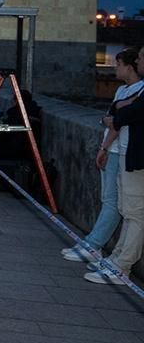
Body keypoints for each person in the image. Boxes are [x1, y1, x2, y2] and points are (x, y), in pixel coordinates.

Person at [65, 49, 141, 263]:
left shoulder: (138, 90)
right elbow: (110, 117)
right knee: (111, 200)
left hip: (120, 150)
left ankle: (94, 245)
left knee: (114, 202)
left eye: (118, 64)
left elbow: (116, 120)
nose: (115, 68)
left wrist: (104, 147)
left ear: (129, 66)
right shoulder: (121, 90)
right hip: (115, 148)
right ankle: (96, 245)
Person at [86, 46, 144, 285]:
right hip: (129, 154)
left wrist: (117, 117)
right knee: (128, 210)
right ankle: (117, 259)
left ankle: (122, 266)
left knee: (134, 213)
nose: (139, 61)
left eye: (142, 57)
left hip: (135, 156)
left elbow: (125, 114)